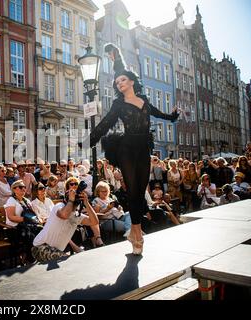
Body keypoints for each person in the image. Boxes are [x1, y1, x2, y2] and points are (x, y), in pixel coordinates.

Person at [89, 44, 179, 255]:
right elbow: (105, 124)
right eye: (117, 82)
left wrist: (173, 116)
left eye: (123, 80)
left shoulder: (145, 100)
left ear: (131, 81)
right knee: (133, 191)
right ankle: (136, 233)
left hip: (143, 148)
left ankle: (134, 232)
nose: (119, 84)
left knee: (140, 191)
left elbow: (160, 114)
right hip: (127, 149)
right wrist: (90, 139)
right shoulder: (119, 104)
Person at [31, 177, 99, 263]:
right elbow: (64, 215)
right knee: (68, 262)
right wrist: (71, 200)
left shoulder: (76, 215)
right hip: (40, 247)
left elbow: (94, 222)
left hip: (57, 250)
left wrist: (86, 203)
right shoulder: (59, 206)